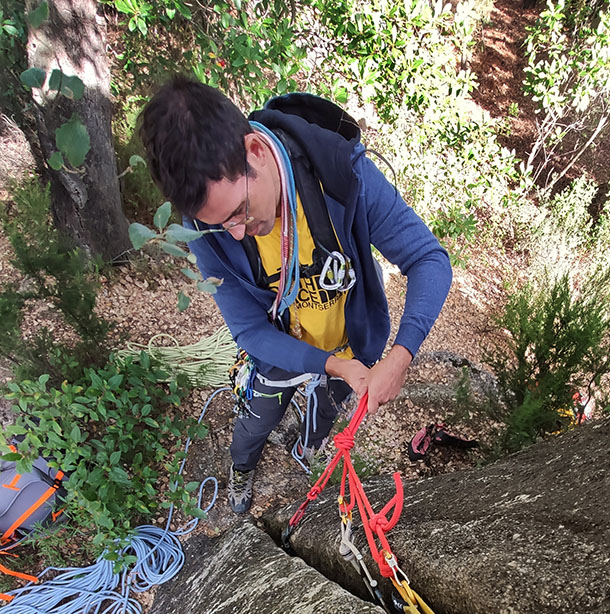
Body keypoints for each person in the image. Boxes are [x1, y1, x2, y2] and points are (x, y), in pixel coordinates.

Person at [139, 77, 452, 513]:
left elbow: (429, 260)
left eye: (239, 212)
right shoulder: (205, 229)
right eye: (218, 224)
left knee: (323, 416)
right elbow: (249, 329)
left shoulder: (338, 172)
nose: (234, 232)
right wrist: (329, 364)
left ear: (256, 152)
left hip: (352, 348)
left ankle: (303, 450)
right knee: (255, 423)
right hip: (281, 351)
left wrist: (400, 356)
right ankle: (242, 468)